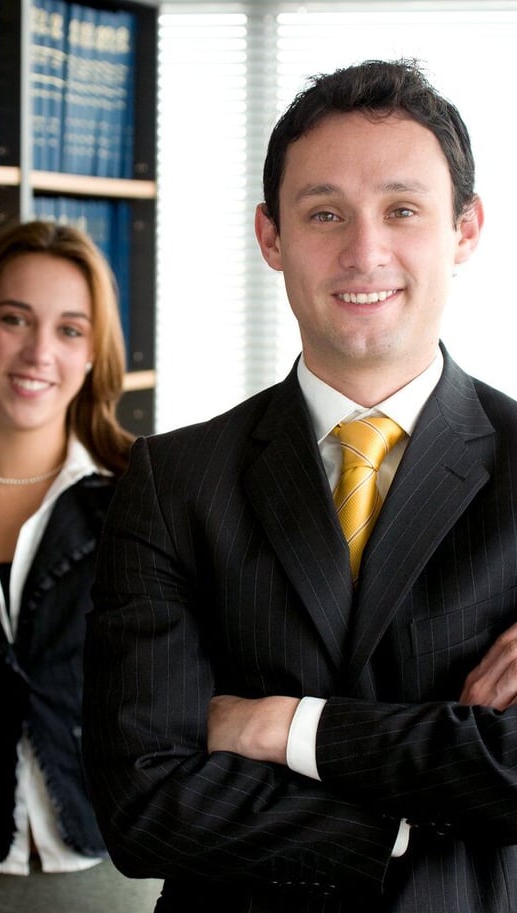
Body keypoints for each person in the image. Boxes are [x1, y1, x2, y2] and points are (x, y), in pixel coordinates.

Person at [82, 58, 517, 913]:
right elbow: (141, 804)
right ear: (271, 236)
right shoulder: (175, 482)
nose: (364, 251)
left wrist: (281, 726)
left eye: (402, 209)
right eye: (324, 213)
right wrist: (421, 813)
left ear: (465, 229)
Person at [0, 220, 162, 913]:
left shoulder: (144, 502)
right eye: (15, 319)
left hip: (112, 869)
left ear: (93, 354)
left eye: (69, 330)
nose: (38, 352)